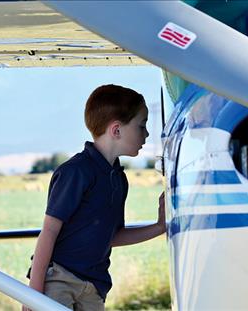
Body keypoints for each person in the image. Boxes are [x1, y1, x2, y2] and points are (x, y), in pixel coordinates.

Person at [23, 84, 166, 311]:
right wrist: (33, 293)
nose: (147, 134)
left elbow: (112, 236)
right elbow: (49, 231)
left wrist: (160, 227)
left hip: (94, 286)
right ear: (116, 130)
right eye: (142, 125)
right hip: (59, 280)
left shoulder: (119, 180)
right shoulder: (75, 171)